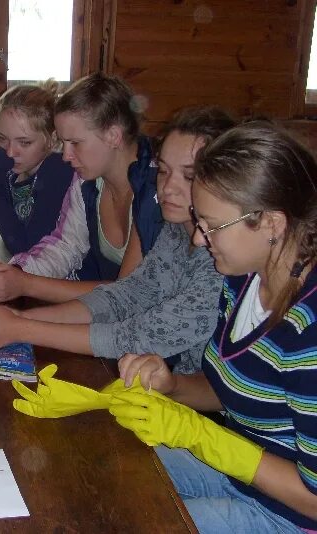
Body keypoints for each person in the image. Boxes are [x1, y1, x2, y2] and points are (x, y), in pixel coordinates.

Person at [112, 122, 317, 532]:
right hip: (238, 476)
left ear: (272, 224)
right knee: (111, 466)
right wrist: (171, 385)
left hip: (289, 517)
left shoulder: (307, 333)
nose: (199, 240)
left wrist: (207, 440)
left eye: (210, 226)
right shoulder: (243, 279)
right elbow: (236, 392)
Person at [0, 107, 234, 375]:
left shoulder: (221, 257)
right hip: (174, 384)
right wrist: (20, 318)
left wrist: (20, 328)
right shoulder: (175, 232)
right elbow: (124, 297)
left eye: (188, 176)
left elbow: (139, 334)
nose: (167, 187)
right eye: (163, 171)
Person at [0, 72, 164, 304]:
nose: (66, 155)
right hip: (105, 314)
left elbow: (128, 294)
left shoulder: (159, 189)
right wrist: (16, 272)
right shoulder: (88, 182)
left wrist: (25, 284)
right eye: (64, 143)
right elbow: (67, 246)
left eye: (75, 143)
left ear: (113, 135)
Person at [0, 80, 74, 255]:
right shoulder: (14, 171)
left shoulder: (58, 172)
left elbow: (27, 248)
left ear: (52, 139)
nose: (10, 153)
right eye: (2, 138)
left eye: (24, 142)